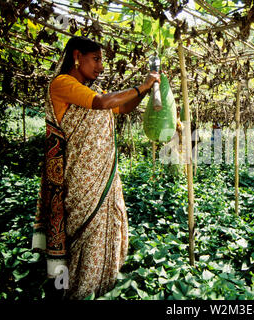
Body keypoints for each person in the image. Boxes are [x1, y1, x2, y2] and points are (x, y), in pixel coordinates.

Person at [32, 36, 160, 300]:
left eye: (102, 60)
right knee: (83, 235)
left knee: (105, 228)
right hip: (80, 178)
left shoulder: (91, 92)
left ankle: (99, 286)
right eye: (96, 59)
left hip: (103, 177)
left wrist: (144, 91)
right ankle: (74, 291)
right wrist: (141, 85)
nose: (101, 66)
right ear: (77, 56)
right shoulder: (63, 84)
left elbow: (121, 107)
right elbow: (102, 103)